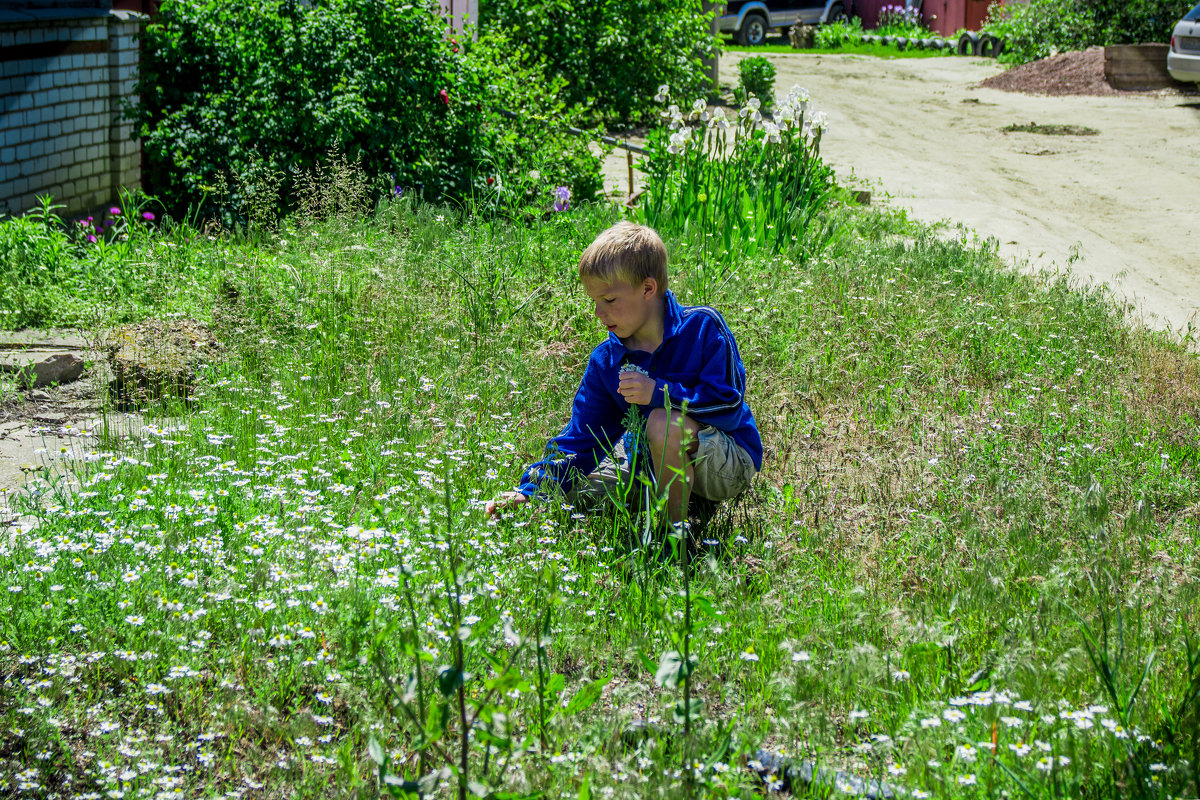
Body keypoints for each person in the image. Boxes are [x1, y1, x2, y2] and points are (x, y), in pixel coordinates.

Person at [485, 221, 762, 531]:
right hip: (646, 458)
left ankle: (675, 537)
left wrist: (659, 393)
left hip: (727, 460)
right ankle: (673, 498)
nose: (598, 313)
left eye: (610, 300)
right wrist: (529, 492)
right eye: (595, 302)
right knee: (581, 499)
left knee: (662, 423)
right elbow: (580, 440)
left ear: (647, 288)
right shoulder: (607, 360)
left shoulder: (702, 327)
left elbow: (728, 409)